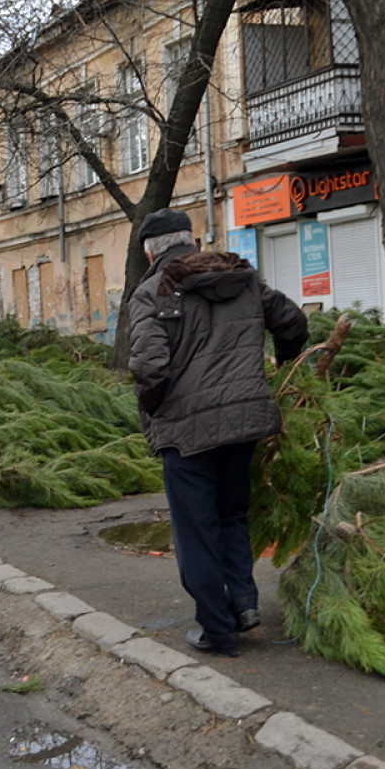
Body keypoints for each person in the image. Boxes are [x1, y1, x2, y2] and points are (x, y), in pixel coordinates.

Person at [127, 207, 308, 657]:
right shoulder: (241, 278)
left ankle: (218, 630)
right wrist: (282, 366)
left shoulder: (151, 291)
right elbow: (294, 323)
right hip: (244, 425)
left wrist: (158, 411)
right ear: (193, 241)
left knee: (196, 531)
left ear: (150, 253)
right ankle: (244, 604)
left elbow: (149, 368)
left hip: (186, 433)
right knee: (231, 517)